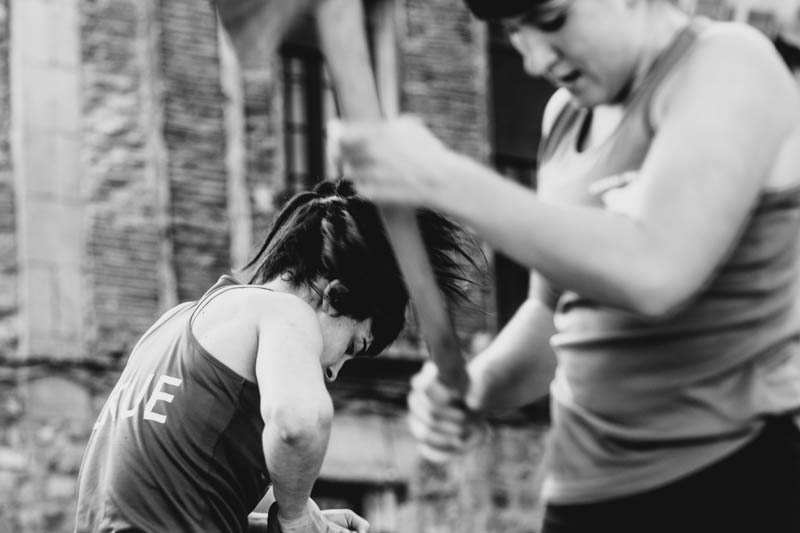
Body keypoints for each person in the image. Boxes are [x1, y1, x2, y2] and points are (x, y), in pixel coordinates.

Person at [330, 1, 800, 532]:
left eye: (552, 21)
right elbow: (552, 316)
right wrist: (473, 386)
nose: (535, 60)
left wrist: (443, 177)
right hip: (582, 492)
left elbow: (655, 272)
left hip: (729, 477)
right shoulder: (565, 115)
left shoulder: (729, 64)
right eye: (515, 32)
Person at [74, 179, 478, 533]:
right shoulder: (287, 313)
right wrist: (296, 515)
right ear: (334, 295)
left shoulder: (172, 324)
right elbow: (299, 423)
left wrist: (283, 525)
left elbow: (167, 506)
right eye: (351, 347)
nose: (334, 372)